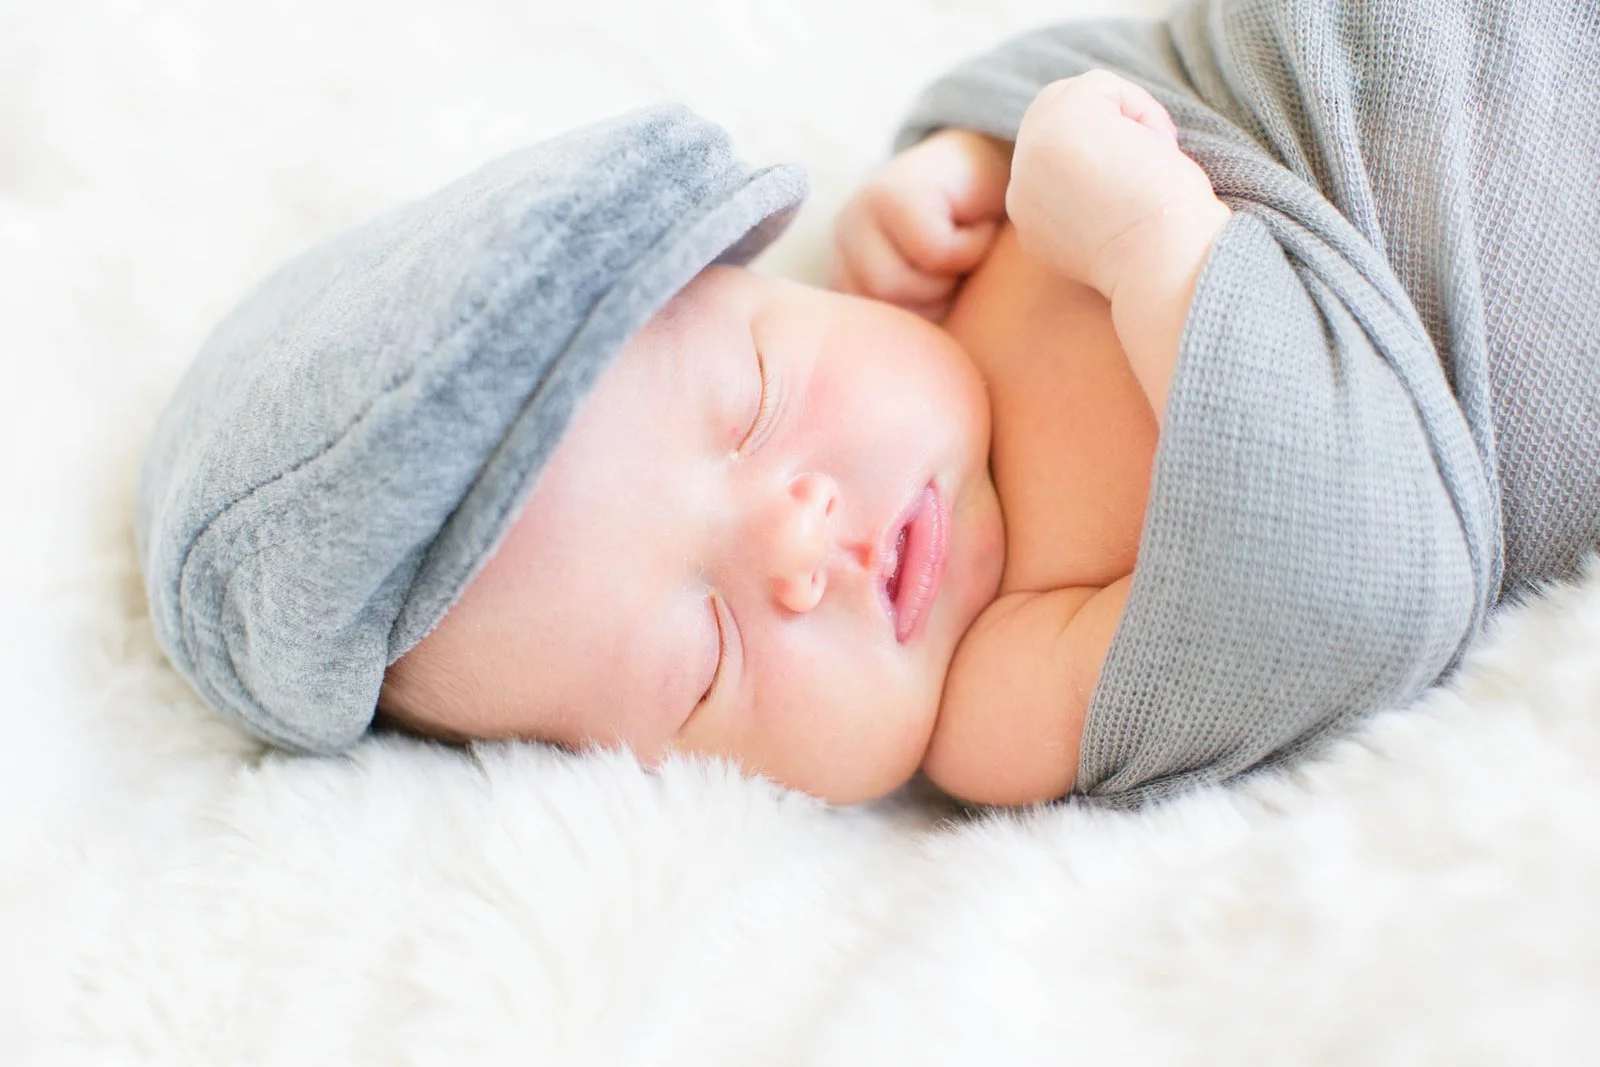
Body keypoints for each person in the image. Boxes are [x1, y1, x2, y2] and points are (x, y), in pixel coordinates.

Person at [139, 0, 1600, 809]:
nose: (794, 542)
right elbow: (1363, 579)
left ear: (791, 284)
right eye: (701, 653)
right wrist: (1150, 238)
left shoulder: (919, 267)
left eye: (755, 397)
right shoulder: (991, 699)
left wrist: (972, 137)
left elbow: (1152, 68)